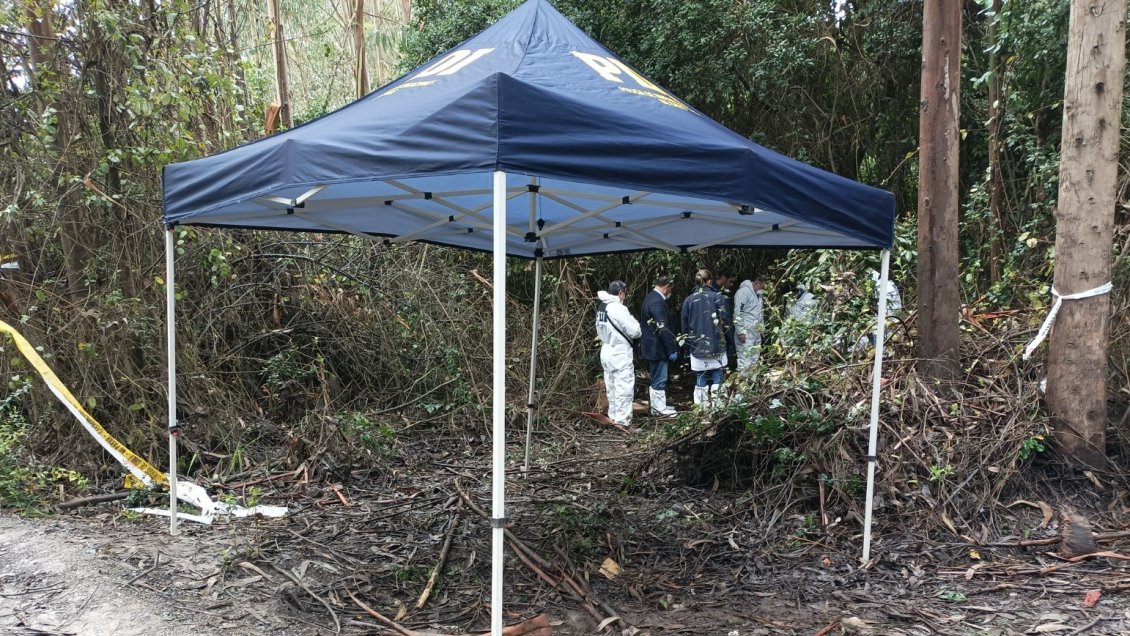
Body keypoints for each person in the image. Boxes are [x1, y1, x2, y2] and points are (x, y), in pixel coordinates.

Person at [681, 269, 731, 407]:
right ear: (709, 281)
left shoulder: (689, 300)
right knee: (717, 375)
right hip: (717, 344)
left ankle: (701, 408)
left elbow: (684, 326)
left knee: (701, 376)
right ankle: (719, 406)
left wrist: (687, 346)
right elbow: (726, 322)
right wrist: (730, 342)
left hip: (696, 345)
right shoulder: (718, 297)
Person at [596, 280, 641, 427]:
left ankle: (613, 416)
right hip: (619, 351)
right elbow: (635, 331)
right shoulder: (618, 308)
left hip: (606, 349)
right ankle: (623, 421)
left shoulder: (602, 306)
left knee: (611, 386)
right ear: (621, 293)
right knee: (624, 387)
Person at [640, 275, 679, 417]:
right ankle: (659, 409)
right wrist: (671, 349)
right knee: (659, 378)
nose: (670, 292)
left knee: (657, 377)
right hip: (657, 347)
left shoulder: (651, 298)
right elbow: (663, 328)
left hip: (654, 346)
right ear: (666, 287)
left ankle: (659, 406)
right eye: (670, 288)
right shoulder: (657, 302)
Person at [733, 274, 766, 372]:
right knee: (745, 360)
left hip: (756, 332)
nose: (762, 288)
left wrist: (762, 328)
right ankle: (744, 381)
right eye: (762, 286)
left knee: (755, 360)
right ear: (757, 282)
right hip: (746, 333)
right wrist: (740, 331)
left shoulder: (758, 294)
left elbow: (760, 313)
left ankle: (753, 380)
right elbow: (738, 312)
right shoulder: (743, 292)